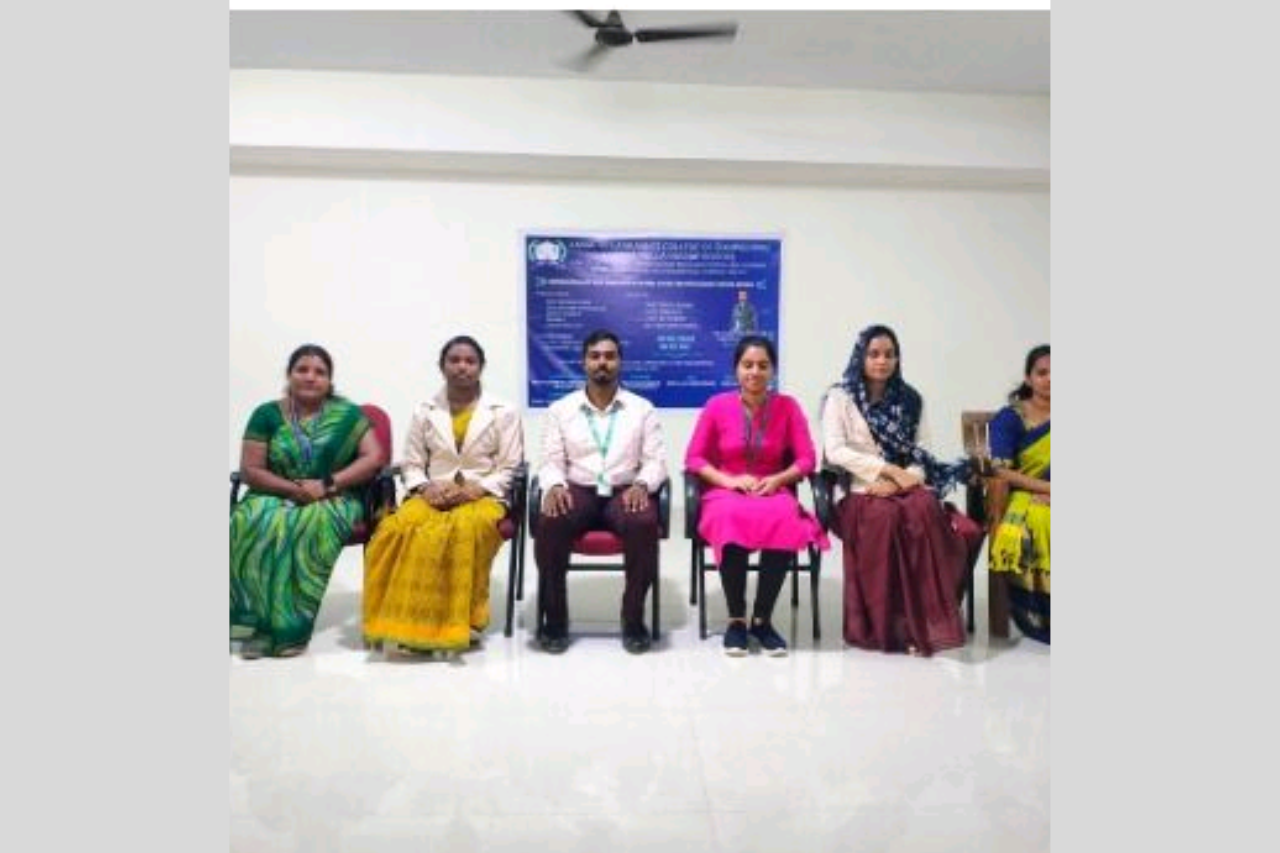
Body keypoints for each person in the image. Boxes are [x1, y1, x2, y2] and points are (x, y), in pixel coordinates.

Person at [820, 324, 984, 656]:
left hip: (904, 485)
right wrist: (883, 471)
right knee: (886, 519)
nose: (882, 361)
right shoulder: (840, 398)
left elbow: (922, 452)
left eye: (889, 354)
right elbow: (835, 451)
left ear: (898, 359)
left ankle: (921, 626)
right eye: (874, 354)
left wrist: (900, 479)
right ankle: (888, 628)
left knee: (925, 509)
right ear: (861, 357)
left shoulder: (911, 399)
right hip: (861, 490)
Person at [362, 336, 523, 657]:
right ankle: (408, 623)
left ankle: (460, 622)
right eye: (454, 360)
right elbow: (411, 463)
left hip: (483, 496)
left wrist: (476, 488)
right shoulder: (424, 410)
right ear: (442, 366)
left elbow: (511, 466)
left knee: (463, 530)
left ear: (481, 367)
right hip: (433, 493)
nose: (462, 367)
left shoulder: (504, 411)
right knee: (396, 529)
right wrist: (426, 488)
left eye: (470, 361)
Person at [230, 344, 384, 659]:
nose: (310, 377)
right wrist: (292, 490)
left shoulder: (348, 415)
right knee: (251, 520)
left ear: (329, 380)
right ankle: (254, 627)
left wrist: (326, 484)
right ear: (289, 375)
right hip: (274, 491)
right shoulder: (266, 414)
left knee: (305, 525)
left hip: (334, 496)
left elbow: (373, 458)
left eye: (320, 372)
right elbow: (251, 469)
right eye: (302, 369)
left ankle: (288, 630)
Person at [685, 334, 829, 657]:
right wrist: (729, 481)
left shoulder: (788, 407)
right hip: (726, 490)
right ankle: (737, 620)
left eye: (763, 365)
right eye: (747, 364)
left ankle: (762, 621)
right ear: (736, 369)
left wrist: (779, 479)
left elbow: (807, 459)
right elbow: (694, 458)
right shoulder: (716, 406)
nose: (755, 372)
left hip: (771, 489)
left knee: (785, 517)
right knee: (730, 517)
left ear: (773, 370)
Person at [535, 329, 668, 655]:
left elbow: (656, 461)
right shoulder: (561, 409)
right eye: (595, 356)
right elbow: (551, 460)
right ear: (584, 362)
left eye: (609, 356)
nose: (602, 363)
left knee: (643, 522)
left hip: (625, 491)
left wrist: (642, 485)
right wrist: (554, 485)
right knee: (551, 521)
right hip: (578, 489)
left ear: (620, 362)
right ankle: (555, 619)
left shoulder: (642, 409)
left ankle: (633, 618)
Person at [987, 344, 1050, 643]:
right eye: (1042, 372)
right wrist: (1047, 488)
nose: (1050, 379)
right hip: (1023, 495)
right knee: (1041, 519)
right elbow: (1000, 471)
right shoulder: (1011, 417)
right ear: (1028, 378)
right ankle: (1041, 613)